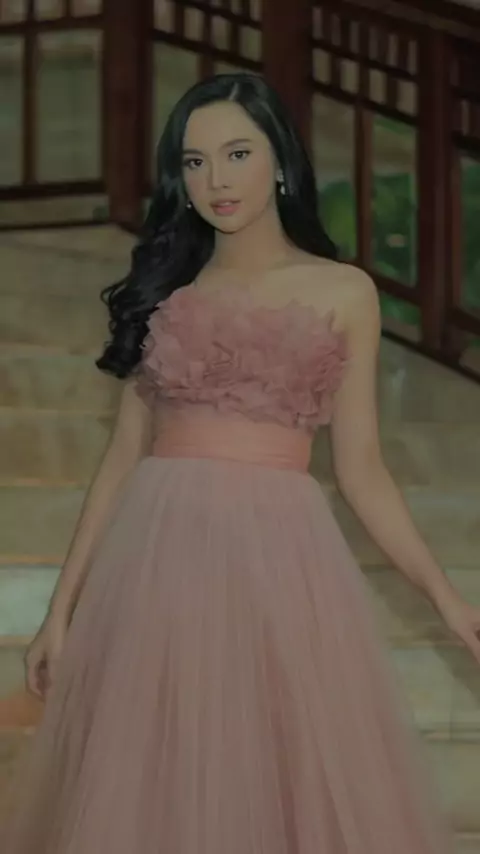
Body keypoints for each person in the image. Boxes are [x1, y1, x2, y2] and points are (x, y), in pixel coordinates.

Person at [3, 72, 478, 854]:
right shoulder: (170, 289)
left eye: (237, 154)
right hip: (158, 562)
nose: (216, 180)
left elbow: (362, 471)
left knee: (269, 786)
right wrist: (61, 609)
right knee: (157, 790)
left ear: (281, 161)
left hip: (278, 564)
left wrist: (446, 598)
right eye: (194, 163)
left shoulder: (344, 291)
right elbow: (122, 458)